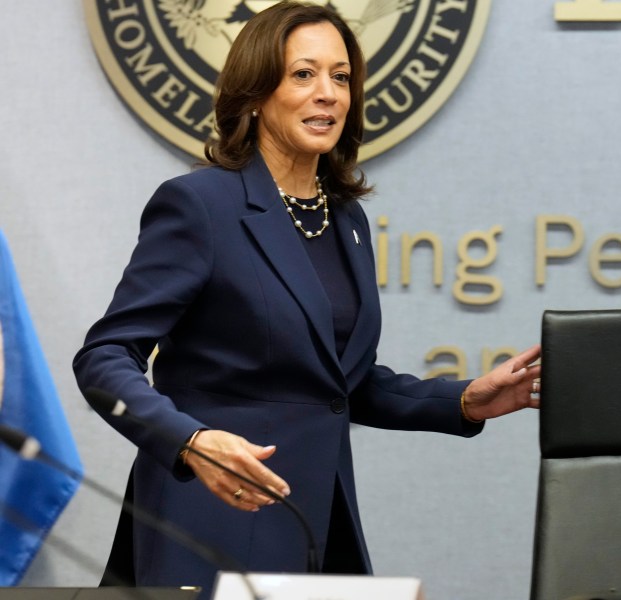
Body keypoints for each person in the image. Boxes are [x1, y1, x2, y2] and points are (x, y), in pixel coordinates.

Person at [72, 2, 540, 597]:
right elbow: (104, 358)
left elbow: (338, 385)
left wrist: (464, 401)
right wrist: (189, 440)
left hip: (319, 524)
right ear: (256, 93)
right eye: (303, 74)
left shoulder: (346, 220)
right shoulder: (201, 206)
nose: (328, 93)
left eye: (341, 77)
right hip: (217, 516)